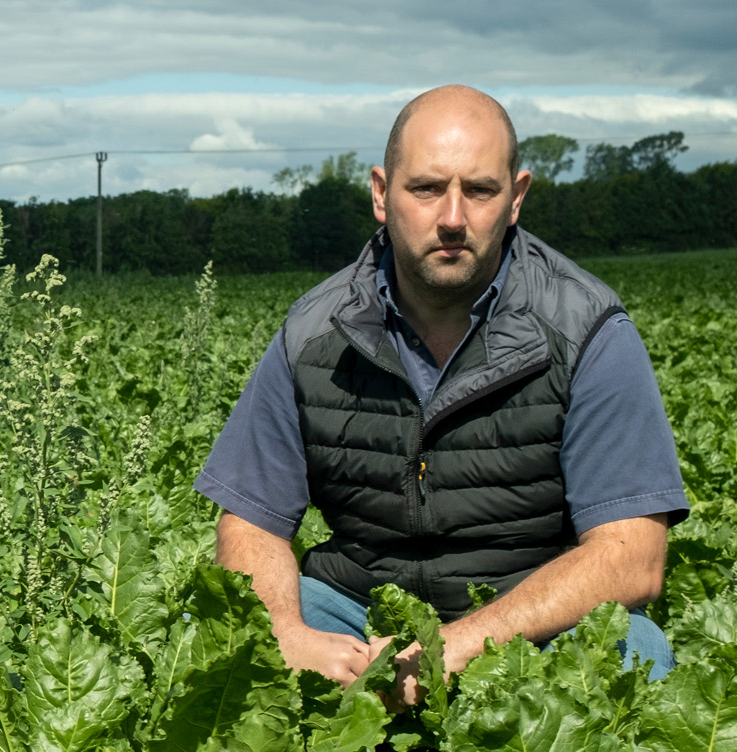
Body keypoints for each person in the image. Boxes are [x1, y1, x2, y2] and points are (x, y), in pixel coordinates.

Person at [196, 85, 688, 699]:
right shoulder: (312, 334)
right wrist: (287, 635)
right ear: (381, 194)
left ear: (516, 198)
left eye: (480, 190)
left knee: (632, 653)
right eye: (426, 189)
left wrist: (456, 647)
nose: (452, 218)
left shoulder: (588, 332)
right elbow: (250, 525)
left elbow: (631, 556)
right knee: (217, 642)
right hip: (357, 611)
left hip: (527, 620)